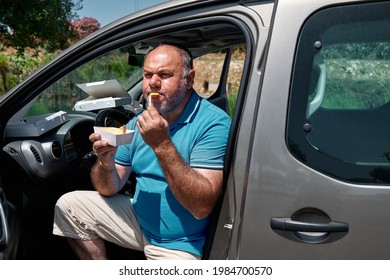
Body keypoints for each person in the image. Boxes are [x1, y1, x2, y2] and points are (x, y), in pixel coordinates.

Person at [52, 42, 231, 260]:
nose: (153, 83)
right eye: (147, 75)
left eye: (164, 75)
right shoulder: (138, 122)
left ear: (189, 78)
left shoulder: (213, 123)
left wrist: (162, 144)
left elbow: (201, 207)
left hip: (181, 244)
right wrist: (105, 163)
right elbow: (109, 189)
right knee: (69, 207)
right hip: (140, 222)